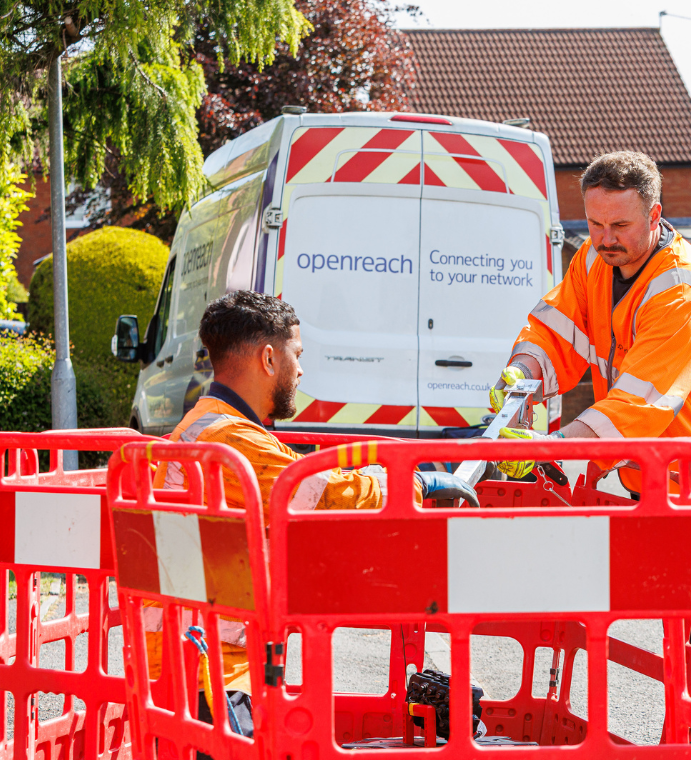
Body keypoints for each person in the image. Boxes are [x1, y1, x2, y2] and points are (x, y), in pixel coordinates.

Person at [147, 291, 477, 740]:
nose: (301, 370)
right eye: (297, 355)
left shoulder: (206, 425)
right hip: (213, 672)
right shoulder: (232, 440)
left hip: (188, 656)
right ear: (269, 359)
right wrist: (418, 482)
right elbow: (327, 494)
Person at [490, 151, 691, 494]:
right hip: (651, 475)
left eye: (620, 225)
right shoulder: (593, 260)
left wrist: (550, 446)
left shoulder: (683, 291)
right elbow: (554, 331)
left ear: (654, 215)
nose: (605, 239)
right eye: (595, 224)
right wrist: (522, 371)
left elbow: (638, 402)